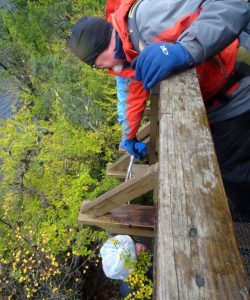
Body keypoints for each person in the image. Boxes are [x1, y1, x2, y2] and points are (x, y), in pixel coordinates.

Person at [69, 0, 250, 216]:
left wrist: (185, 49)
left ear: (99, 49)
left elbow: (232, 4)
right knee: (226, 167)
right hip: (220, 102)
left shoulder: (150, 17)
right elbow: (131, 96)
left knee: (233, 171)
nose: (102, 68)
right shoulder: (128, 52)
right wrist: (129, 136)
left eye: (96, 64)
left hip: (239, 90)